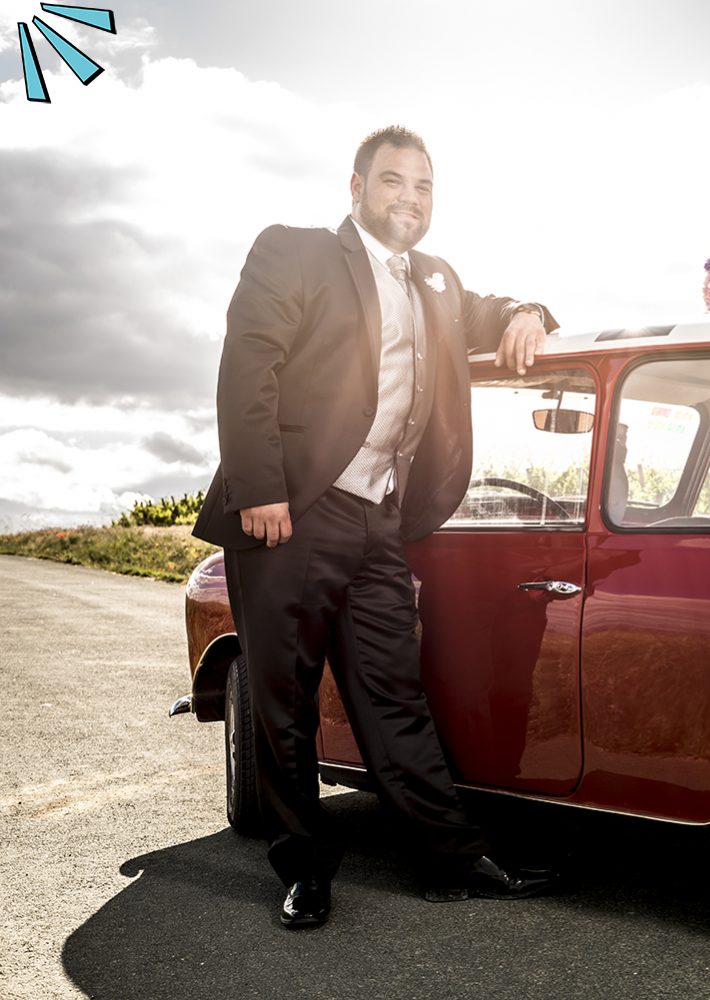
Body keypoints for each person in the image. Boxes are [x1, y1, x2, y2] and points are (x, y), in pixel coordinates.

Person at [192, 125, 560, 930]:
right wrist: (261, 488)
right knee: (284, 703)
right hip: (289, 511)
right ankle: (303, 869)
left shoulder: (434, 279)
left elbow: (486, 309)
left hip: (377, 523)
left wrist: (528, 311)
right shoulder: (293, 253)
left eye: (424, 187)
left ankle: (451, 859)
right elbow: (248, 363)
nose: (410, 199)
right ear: (356, 188)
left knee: (394, 694)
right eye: (394, 182)